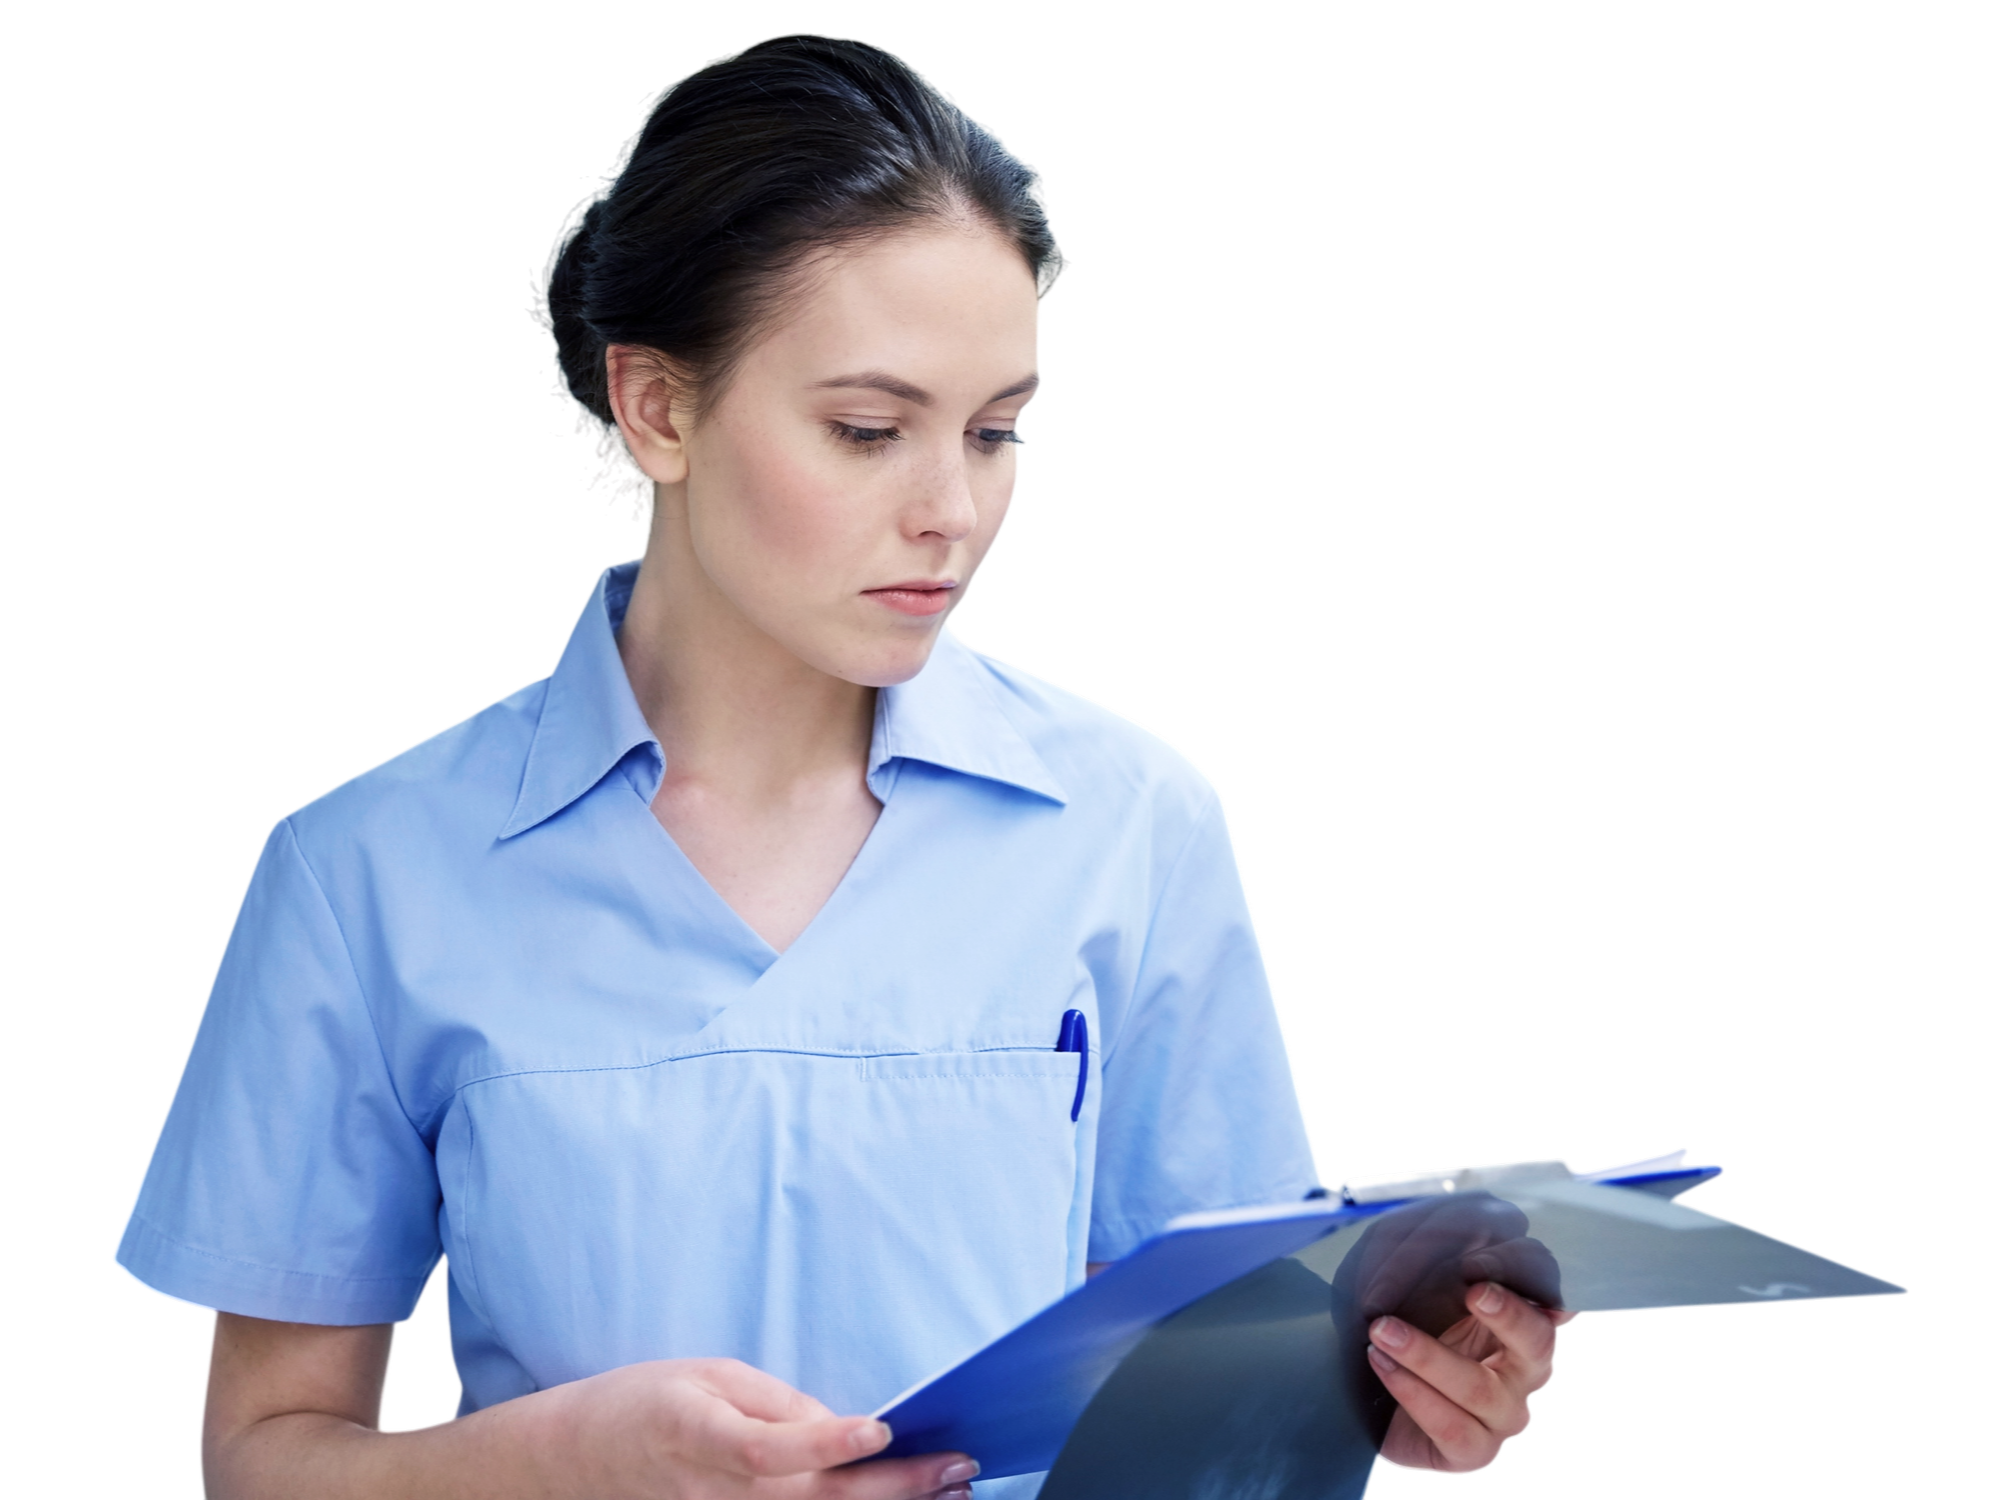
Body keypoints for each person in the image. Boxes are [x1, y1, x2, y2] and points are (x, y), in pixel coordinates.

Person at [114, 33, 1570, 1500]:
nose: (953, 511)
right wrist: (561, 1467)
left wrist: (1385, 1399)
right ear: (658, 408)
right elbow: (263, 1460)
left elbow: (1235, 1379)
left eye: (999, 432)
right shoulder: (368, 874)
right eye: (869, 430)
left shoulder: (1132, 821)